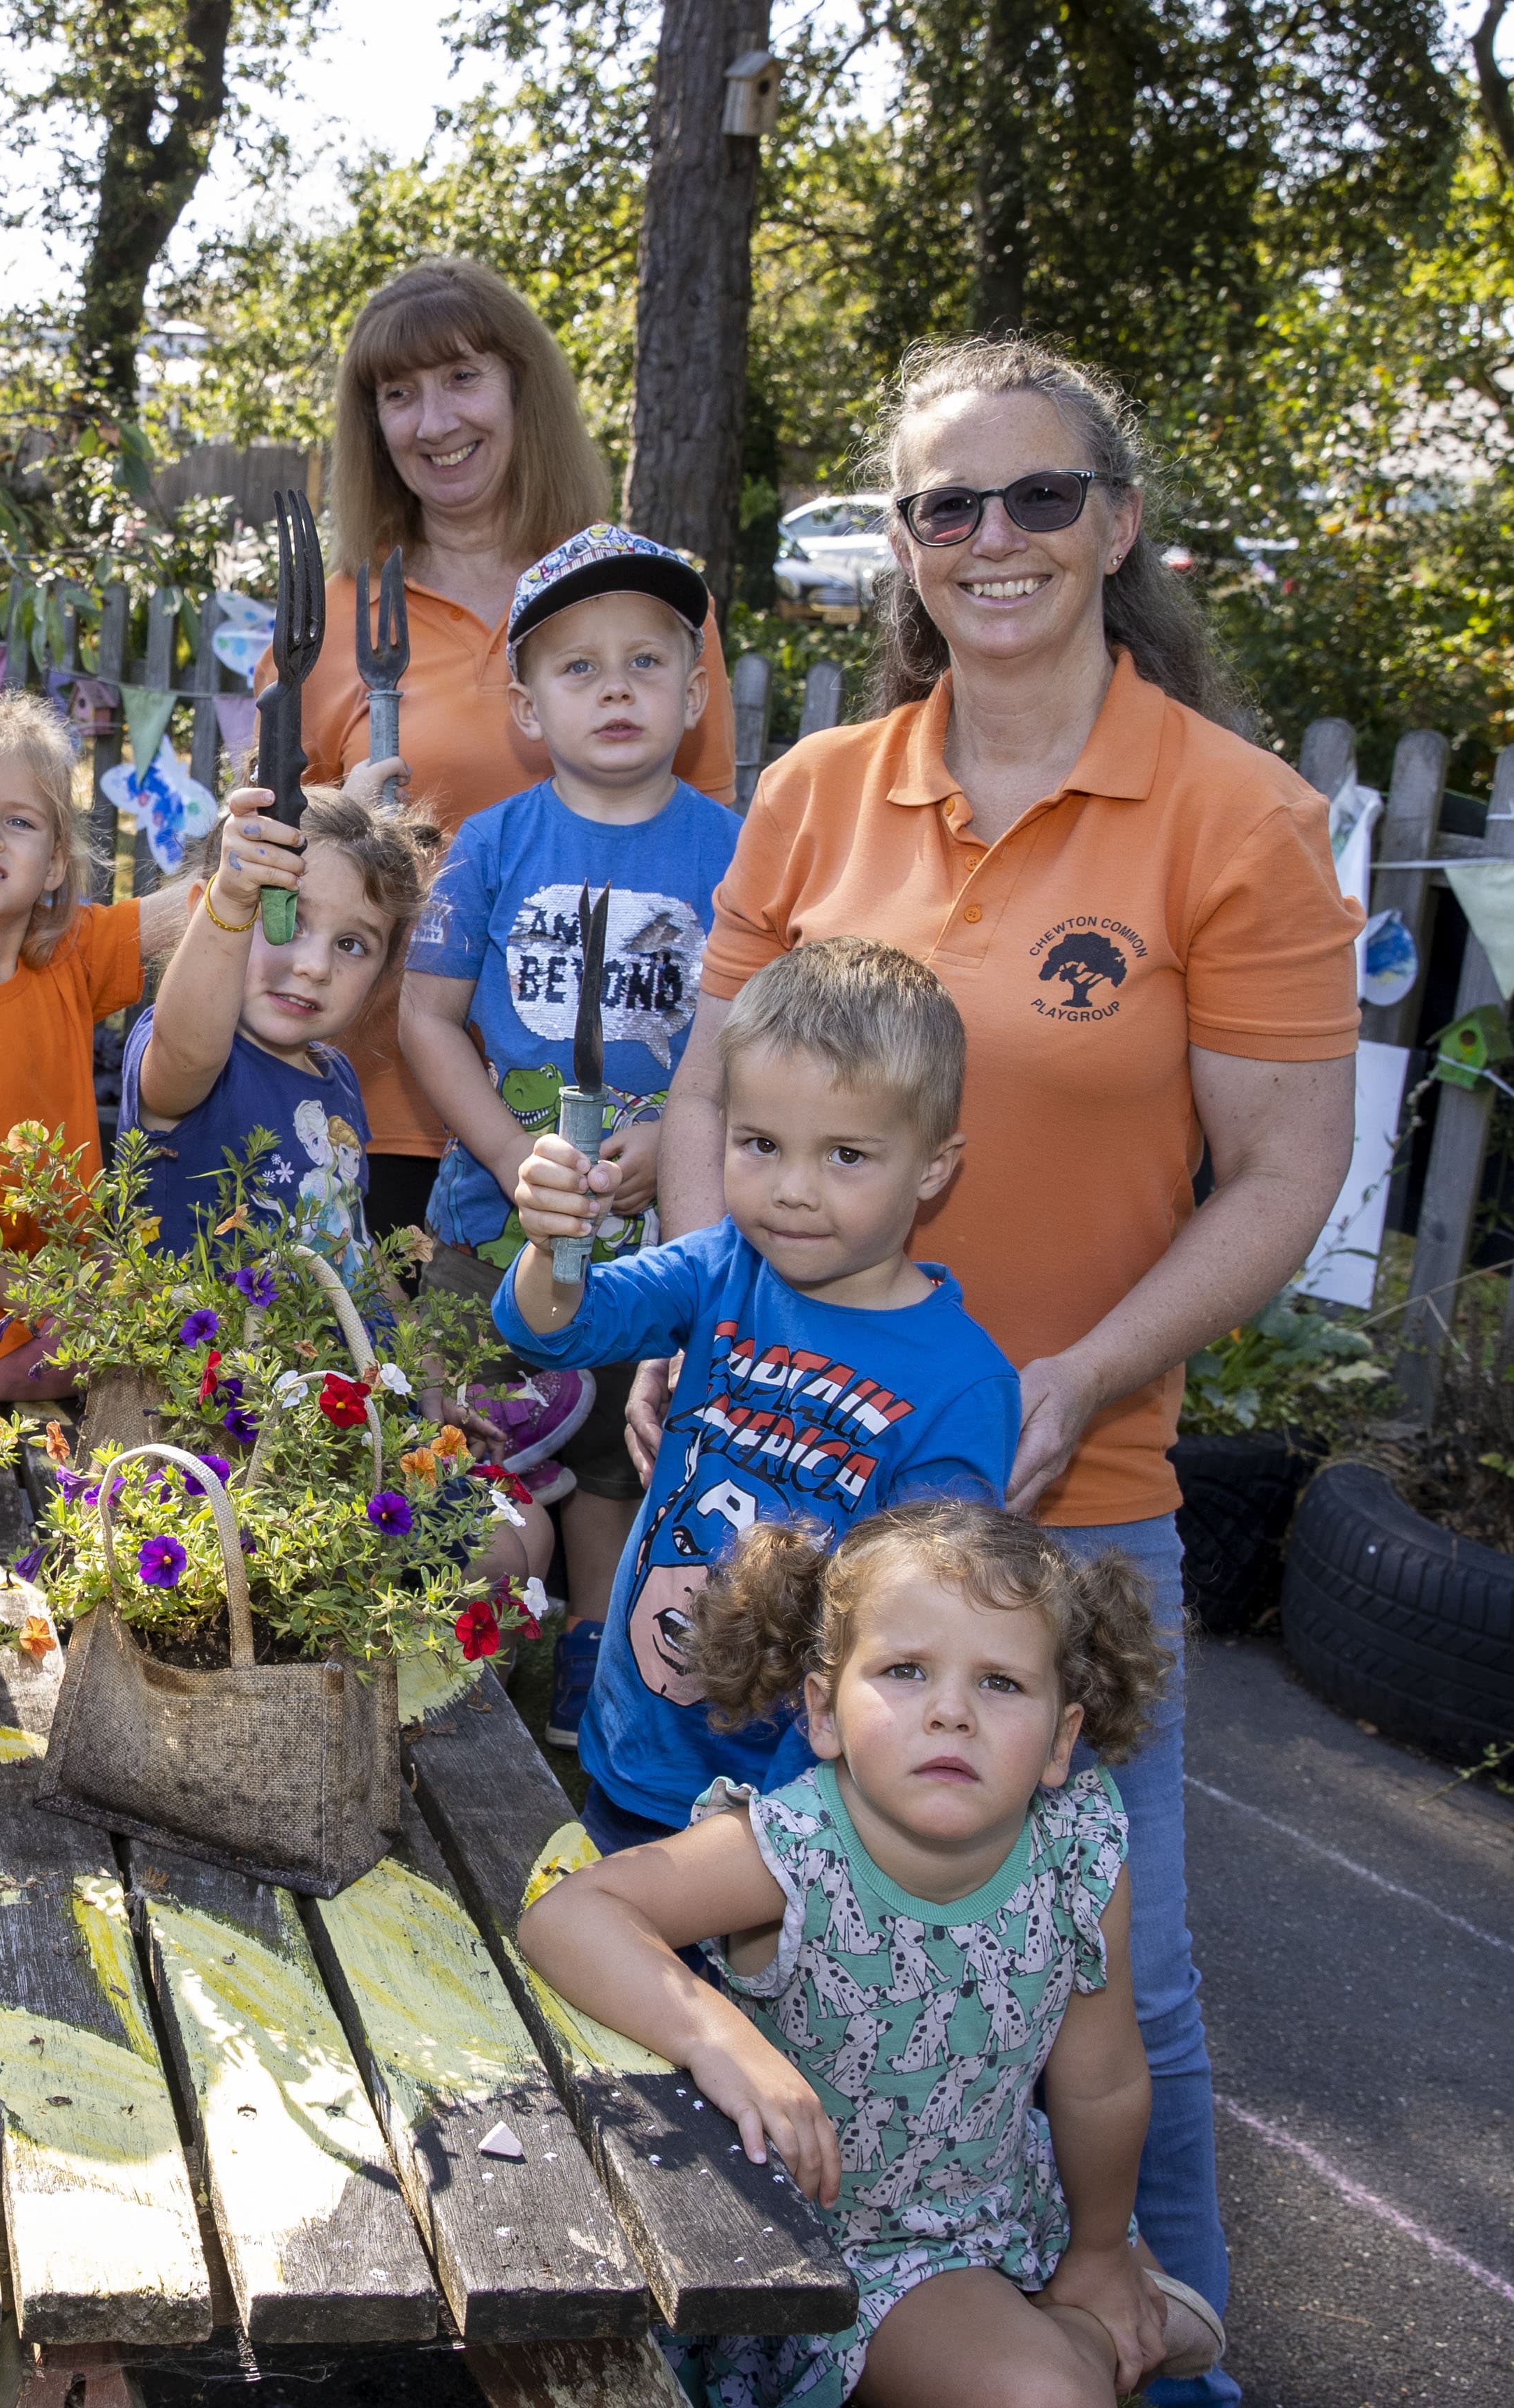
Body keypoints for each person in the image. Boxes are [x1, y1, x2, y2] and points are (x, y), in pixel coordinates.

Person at [659, 337, 1358, 2408]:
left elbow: (1285, 1174)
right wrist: (704, 1303)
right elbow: (716, 1080)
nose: (990, 541)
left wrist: (1070, 1375)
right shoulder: (810, 791)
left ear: (1115, 524)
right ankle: (769, 2340)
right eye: (943, 507)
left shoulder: (1233, 822)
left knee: (1110, 1978)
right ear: (899, 544)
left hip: (1068, 1502)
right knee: (762, 1930)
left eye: (1034, 498)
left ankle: (1164, 2365)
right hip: (793, 1490)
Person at [518, 1502, 1221, 2408]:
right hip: (825, 2252)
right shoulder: (798, 1846)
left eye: (1001, 1683)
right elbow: (569, 1914)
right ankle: (1084, 2337)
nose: (951, 1713)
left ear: (1061, 1739)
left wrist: (1096, 2246)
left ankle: (1094, 2302)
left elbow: (1103, 2081)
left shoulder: (1079, 1852)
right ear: (824, 1711)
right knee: (1052, 2391)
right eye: (905, 1671)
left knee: (1086, 2345)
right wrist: (721, 2039)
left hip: (1003, 2201)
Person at [499, 940, 1021, 1854]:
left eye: (846, 1155)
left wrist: (782, 1822)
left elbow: (920, 1635)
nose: (790, 1190)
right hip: (640, 1748)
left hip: (793, 1816)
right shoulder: (724, 1268)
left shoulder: (964, 1386)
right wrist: (552, 1243)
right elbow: (554, 1327)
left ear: (934, 1167)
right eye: (760, 1144)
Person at [276, 257, 737, 1237]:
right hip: (372, 1113)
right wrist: (333, 830)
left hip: (618, 1138)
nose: (435, 422)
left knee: (602, 1388)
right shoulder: (341, 618)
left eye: (463, 378)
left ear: (525, 387)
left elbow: (718, 903)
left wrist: (689, 1123)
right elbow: (270, 899)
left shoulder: (641, 606)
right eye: (400, 395)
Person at [399, 525, 742, 1751]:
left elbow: (749, 1032)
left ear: (695, 695)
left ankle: (588, 1711)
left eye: (646, 662)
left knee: (615, 1467)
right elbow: (426, 1015)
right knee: (473, 1449)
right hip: (493, 1226)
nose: (615, 688)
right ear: (527, 704)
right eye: (579, 667)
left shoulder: (736, 853)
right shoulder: (491, 843)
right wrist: (502, 1152)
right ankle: (451, 1687)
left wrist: (671, 1140)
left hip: (656, 1231)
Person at [0, 688, 270, 1396]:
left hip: (62, 1289)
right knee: (152, 1363)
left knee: (194, 1331)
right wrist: (57, 1306)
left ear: (54, 863)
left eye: (18, 820)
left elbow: (191, 905)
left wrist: (261, 842)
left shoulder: (64, 957)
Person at [117, 786, 433, 1289]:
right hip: (217, 1364)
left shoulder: (340, 1080)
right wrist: (233, 903)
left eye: (352, 944)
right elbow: (189, 1051)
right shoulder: (196, 1059)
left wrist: (410, 1353)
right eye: (284, 919)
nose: (314, 967)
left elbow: (351, 1239)